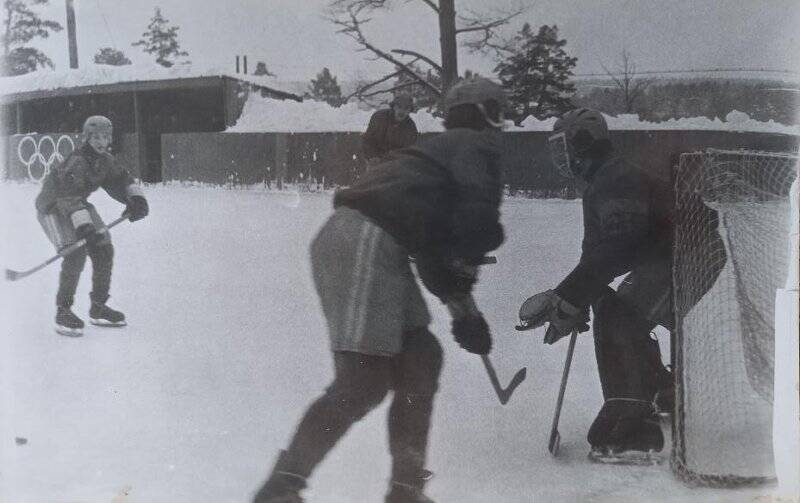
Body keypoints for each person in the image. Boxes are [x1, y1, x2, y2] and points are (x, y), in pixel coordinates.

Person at [253, 77, 507, 503]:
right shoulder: (473, 146)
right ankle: (281, 488)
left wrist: (465, 311)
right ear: (483, 113)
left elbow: (432, 250)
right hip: (364, 238)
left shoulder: (437, 154)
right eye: (499, 112)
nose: (502, 124)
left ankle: (405, 490)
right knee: (363, 382)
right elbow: (475, 223)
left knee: (421, 358)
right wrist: (476, 254)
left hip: (372, 242)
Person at [516, 108, 724, 464]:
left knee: (620, 315)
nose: (560, 156)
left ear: (581, 143)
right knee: (613, 307)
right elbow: (595, 258)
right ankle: (659, 389)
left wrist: (568, 298)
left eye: (562, 145)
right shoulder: (603, 180)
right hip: (672, 256)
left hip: (692, 254)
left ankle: (634, 430)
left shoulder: (615, 179)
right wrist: (571, 299)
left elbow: (617, 247)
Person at [35, 115, 149, 337]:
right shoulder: (77, 161)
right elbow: (66, 197)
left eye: (105, 137)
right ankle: (63, 310)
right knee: (75, 252)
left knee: (104, 248)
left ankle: (98, 306)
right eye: (95, 137)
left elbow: (121, 180)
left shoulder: (105, 160)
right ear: (86, 138)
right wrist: (84, 227)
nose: (100, 141)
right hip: (53, 208)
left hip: (77, 204)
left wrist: (136, 200)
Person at [361, 94, 418, 167]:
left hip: (395, 164)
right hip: (374, 160)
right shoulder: (379, 117)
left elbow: (408, 151)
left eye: (406, 108)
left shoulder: (410, 127)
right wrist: (372, 156)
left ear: (410, 110)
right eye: (399, 107)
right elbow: (367, 140)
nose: (402, 111)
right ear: (393, 106)